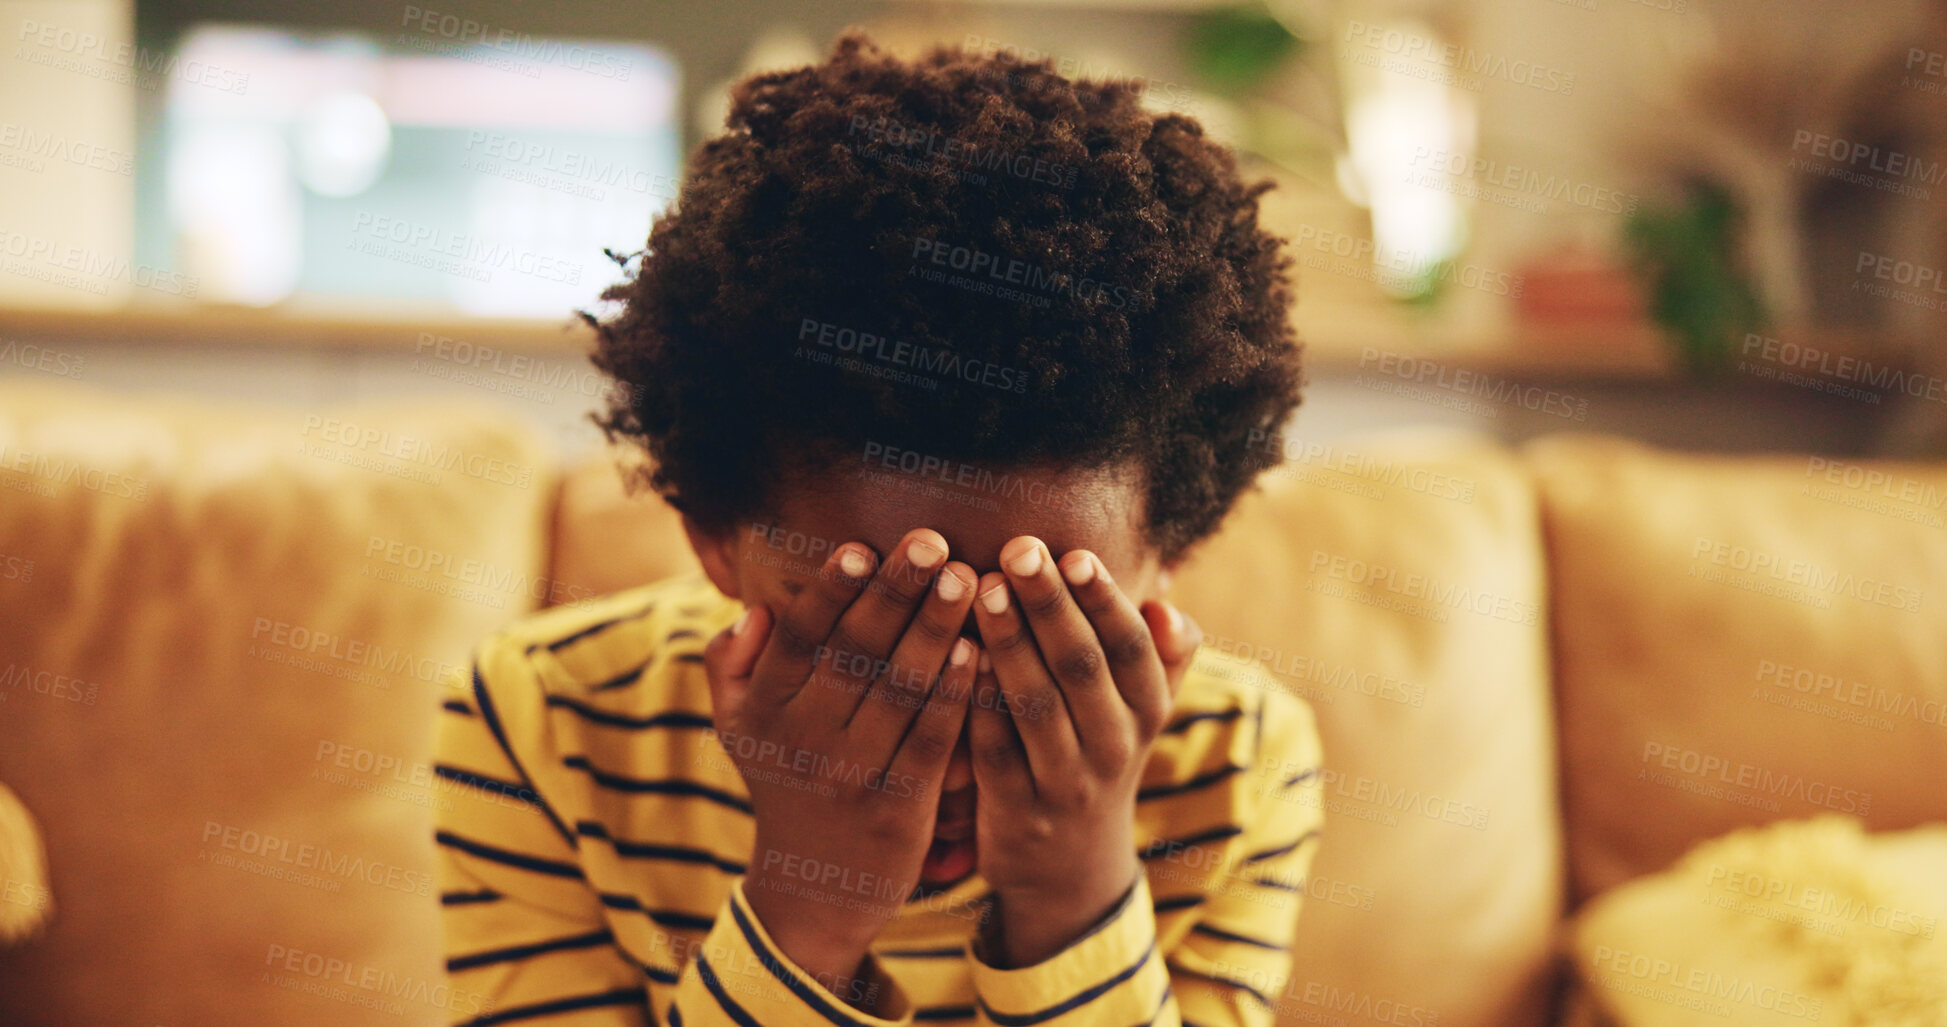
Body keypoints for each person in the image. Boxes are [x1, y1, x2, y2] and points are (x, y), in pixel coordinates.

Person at [434, 30, 1323, 1027]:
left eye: (1038, 637)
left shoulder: (1237, 766)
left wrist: (1074, 894)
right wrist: (806, 910)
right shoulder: (545, 720)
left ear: (1169, 552)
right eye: (864, 635)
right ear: (716, 539)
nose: (937, 740)